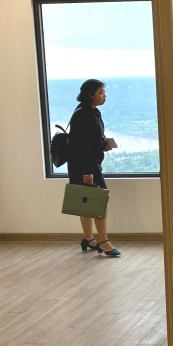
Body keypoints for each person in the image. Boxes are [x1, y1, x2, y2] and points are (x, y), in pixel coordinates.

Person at [67, 79, 121, 256]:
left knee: (87, 200)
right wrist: (87, 172)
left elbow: (91, 139)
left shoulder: (89, 111)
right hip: (86, 165)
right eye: (101, 92)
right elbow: (82, 145)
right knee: (99, 199)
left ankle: (89, 239)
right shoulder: (85, 114)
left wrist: (103, 144)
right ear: (90, 95)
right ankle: (103, 241)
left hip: (85, 164)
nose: (105, 96)